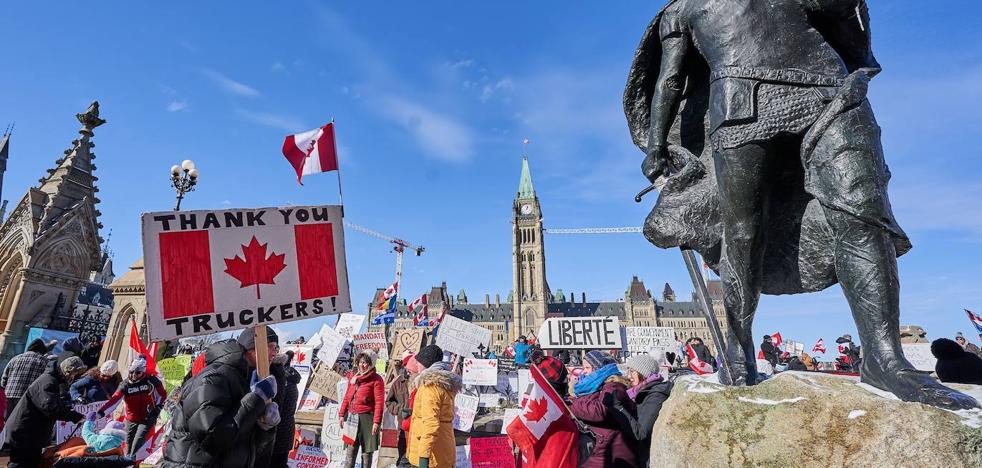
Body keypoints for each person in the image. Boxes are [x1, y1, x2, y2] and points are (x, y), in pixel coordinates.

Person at [161, 335, 278, 468]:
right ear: (252, 348)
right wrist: (256, 400)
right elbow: (212, 438)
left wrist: (265, 428)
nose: (274, 353)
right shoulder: (213, 377)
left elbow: (246, 447)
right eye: (270, 346)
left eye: (276, 348)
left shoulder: (246, 380)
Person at [4, 356, 87, 467]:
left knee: (28, 462)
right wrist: (75, 416)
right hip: (25, 432)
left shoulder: (51, 380)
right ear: (68, 371)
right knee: (21, 463)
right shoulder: (48, 382)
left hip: (29, 432)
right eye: (74, 374)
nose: (74, 377)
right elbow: (50, 406)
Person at [570, 351, 639, 468]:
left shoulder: (614, 386)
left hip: (612, 453)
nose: (584, 371)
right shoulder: (590, 386)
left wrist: (572, 406)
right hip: (597, 450)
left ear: (599, 369)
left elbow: (600, 410)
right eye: (583, 367)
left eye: (587, 367)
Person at [607, 353, 673, 467]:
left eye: (632, 371)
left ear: (644, 373)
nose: (628, 376)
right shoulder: (638, 392)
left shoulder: (655, 394)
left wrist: (618, 407)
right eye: (628, 371)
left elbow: (640, 433)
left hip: (647, 459)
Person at [96, 356, 167, 458]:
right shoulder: (125, 384)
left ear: (143, 372)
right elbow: (114, 401)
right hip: (131, 419)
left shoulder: (151, 380)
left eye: (138, 373)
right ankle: (127, 462)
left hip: (148, 418)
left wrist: (158, 407)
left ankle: (131, 462)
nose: (133, 375)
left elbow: (163, 395)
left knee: (136, 446)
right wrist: (100, 413)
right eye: (131, 372)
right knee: (128, 446)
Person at [407, 345, 460, 468]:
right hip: (443, 449)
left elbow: (431, 423)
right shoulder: (442, 383)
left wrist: (424, 457)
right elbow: (440, 412)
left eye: (419, 362)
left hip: (432, 455)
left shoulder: (430, 387)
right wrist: (413, 412)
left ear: (426, 364)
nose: (417, 365)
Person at [339, 351, 385, 468]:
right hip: (353, 417)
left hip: (368, 419)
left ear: (371, 364)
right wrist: (341, 414)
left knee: (366, 456)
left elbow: (379, 403)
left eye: (365, 363)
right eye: (360, 362)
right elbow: (347, 397)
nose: (361, 365)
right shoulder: (354, 378)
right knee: (350, 452)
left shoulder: (376, 380)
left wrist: (376, 422)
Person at [264, 350, 301, 468]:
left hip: (277, 429)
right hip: (288, 428)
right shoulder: (292, 381)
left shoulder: (280, 381)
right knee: (281, 462)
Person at [0, 338, 51, 418]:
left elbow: (4, 378)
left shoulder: (15, 358)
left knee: (5, 421)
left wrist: (4, 391)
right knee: (17, 422)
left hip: (8, 395)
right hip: (26, 398)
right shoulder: (44, 361)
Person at [385, 356, 411, 462]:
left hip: (417, 430)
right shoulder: (399, 382)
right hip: (403, 428)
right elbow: (389, 401)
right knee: (403, 459)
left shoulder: (420, 382)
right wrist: (400, 409)